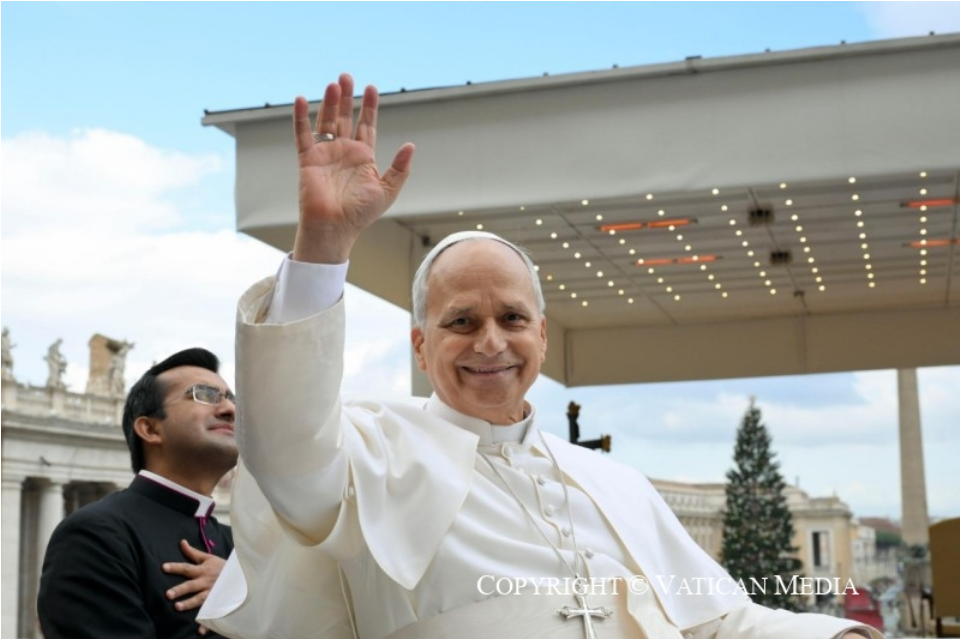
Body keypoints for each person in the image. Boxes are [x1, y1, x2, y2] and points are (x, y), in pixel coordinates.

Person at [199, 74, 883, 639]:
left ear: (543, 336)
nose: (490, 341)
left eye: (512, 318)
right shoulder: (370, 454)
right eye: (461, 321)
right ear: (420, 345)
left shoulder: (614, 482)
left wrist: (838, 635)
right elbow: (286, 450)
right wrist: (323, 247)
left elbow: (719, 619)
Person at [39, 348, 238, 638]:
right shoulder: (96, 535)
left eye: (232, 399)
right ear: (150, 429)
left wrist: (243, 591)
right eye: (204, 394)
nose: (230, 409)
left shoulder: (238, 547)